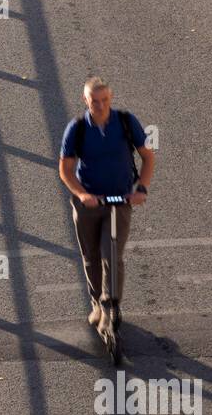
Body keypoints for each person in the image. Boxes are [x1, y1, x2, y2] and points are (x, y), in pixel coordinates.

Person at [58, 77, 156, 339]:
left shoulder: (126, 122)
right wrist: (82, 194)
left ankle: (109, 306)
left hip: (119, 202)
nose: (100, 106)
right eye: (95, 102)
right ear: (86, 101)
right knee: (90, 257)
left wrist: (141, 189)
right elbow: (65, 169)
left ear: (111, 99)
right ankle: (96, 303)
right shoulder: (76, 129)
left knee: (111, 254)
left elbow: (147, 157)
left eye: (105, 101)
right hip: (89, 204)